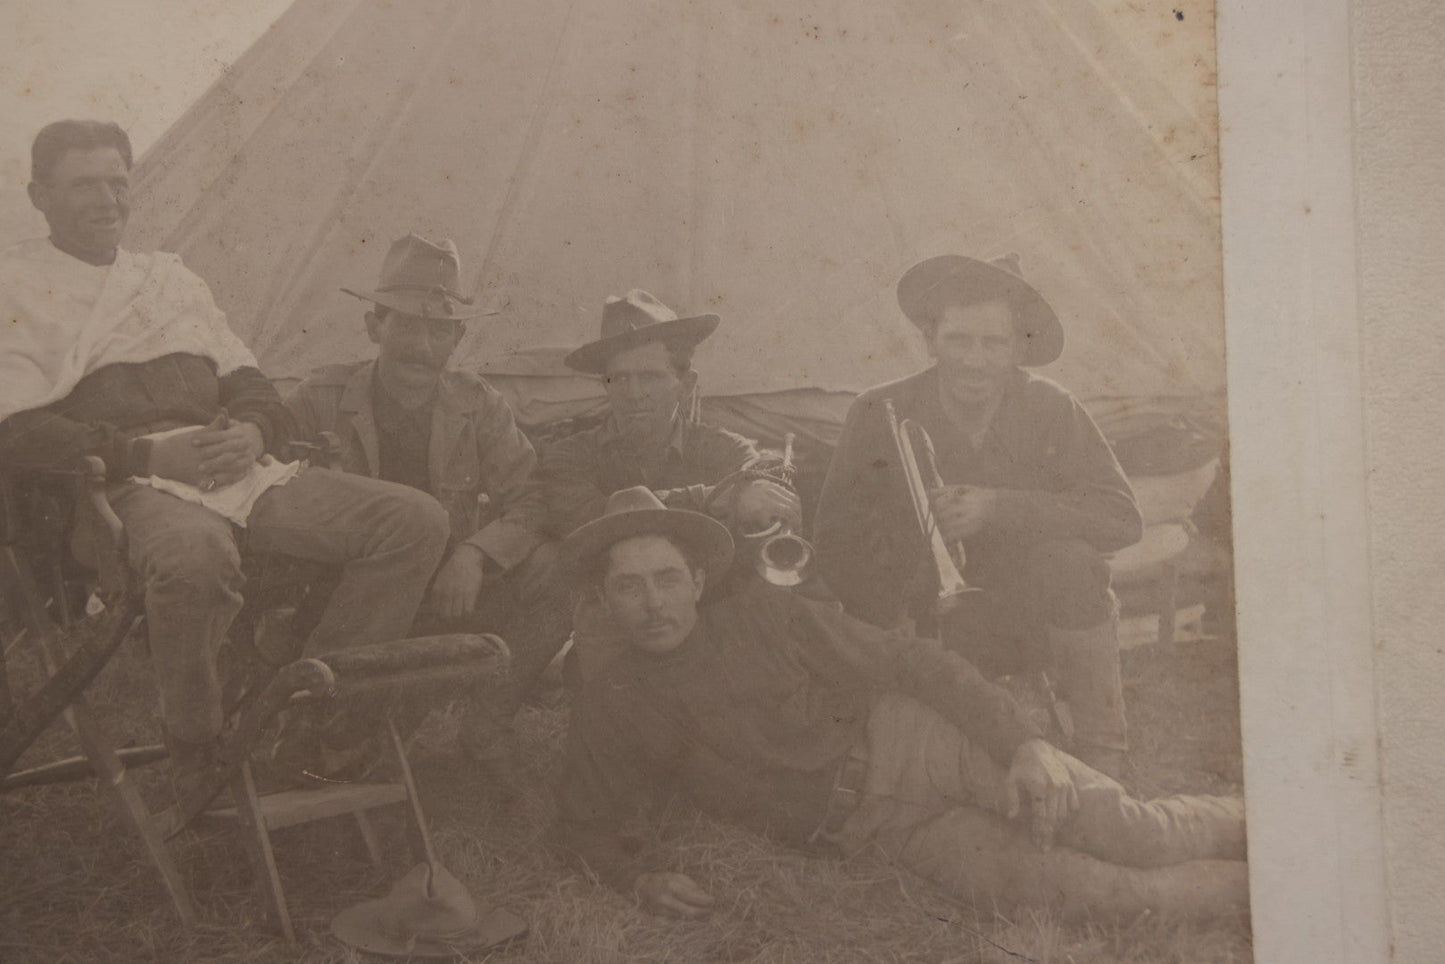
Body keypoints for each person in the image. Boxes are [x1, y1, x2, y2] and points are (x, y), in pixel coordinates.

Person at [0, 120, 451, 801]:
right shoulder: (15, 286)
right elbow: (18, 430)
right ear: (39, 197)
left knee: (412, 520)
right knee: (194, 559)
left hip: (230, 462)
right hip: (118, 487)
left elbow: (250, 381)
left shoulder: (169, 278)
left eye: (119, 182)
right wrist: (145, 452)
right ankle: (199, 754)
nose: (108, 200)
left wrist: (252, 429)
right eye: (84, 185)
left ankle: (303, 725)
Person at [555, 487, 1247, 922]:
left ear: (698, 579)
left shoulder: (763, 615)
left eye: (667, 580)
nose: (653, 605)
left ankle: (1285, 831)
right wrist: (637, 876)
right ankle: (1269, 896)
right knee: (1105, 897)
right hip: (873, 831)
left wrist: (1023, 745)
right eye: (630, 588)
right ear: (604, 599)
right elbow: (589, 819)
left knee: (1134, 831)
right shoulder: (610, 704)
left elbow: (910, 660)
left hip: (919, 746)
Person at [813, 255, 1143, 776]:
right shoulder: (879, 410)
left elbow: (1121, 518)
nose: (974, 360)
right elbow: (834, 538)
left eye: (993, 344)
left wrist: (999, 507)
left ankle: (1106, 756)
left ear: (1018, 347)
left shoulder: (1051, 407)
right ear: (930, 339)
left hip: (1027, 618)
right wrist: (906, 562)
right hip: (918, 622)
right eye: (959, 341)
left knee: (1074, 565)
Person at [286, 234, 570, 783]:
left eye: (439, 330)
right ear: (375, 327)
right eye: (406, 325)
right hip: (342, 594)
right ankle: (330, 725)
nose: (421, 346)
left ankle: (484, 726)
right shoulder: (321, 397)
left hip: (442, 589)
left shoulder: (477, 404)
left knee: (555, 571)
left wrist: (474, 554)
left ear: (457, 338)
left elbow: (532, 497)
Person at [539, 289, 801, 678]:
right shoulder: (569, 454)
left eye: (650, 377)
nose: (633, 393)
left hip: (708, 617)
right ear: (604, 386)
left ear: (686, 383)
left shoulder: (721, 447)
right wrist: (718, 499)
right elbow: (591, 520)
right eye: (619, 378)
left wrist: (759, 490)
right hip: (614, 625)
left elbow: (758, 473)